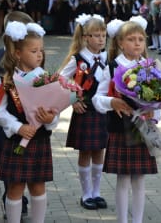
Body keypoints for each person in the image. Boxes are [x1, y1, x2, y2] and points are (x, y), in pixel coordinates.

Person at [92, 17, 159, 223]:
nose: (137, 43)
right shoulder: (111, 68)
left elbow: (159, 99)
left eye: (141, 39)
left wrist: (154, 114)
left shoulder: (150, 67)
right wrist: (112, 102)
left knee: (139, 179)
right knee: (123, 179)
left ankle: (137, 220)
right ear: (120, 43)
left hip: (142, 129)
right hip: (120, 129)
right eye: (131, 39)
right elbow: (97, 99)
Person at [0, 21, 58, 223]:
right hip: (17, 140)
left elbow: (55, 109)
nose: (40, 55)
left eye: (41, 51)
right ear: (18, 53)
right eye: (34, 50)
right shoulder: (7, 80)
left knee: (38, 186)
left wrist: (50, 119)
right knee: (15, 186)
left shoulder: (46, 78)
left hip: (39, 140)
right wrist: (18, 127)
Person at [0, 11, 33, 218]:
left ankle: (18, 197)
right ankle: (13, 199)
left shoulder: (29, 56)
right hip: (0, 119)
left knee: (22, 158)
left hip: (24, 118)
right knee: (7, 159)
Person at [58, 14, 108, 210]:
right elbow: (61, 79)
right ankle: (85, 194)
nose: (101, 39)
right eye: (96, 35)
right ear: (86, 37)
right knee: (85, 152)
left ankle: (96, 192)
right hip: (85, 109)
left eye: (103, 35)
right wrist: (72, 99)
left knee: (99, 151)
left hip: (102, 109)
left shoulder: (107, 57)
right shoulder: (78, 58)